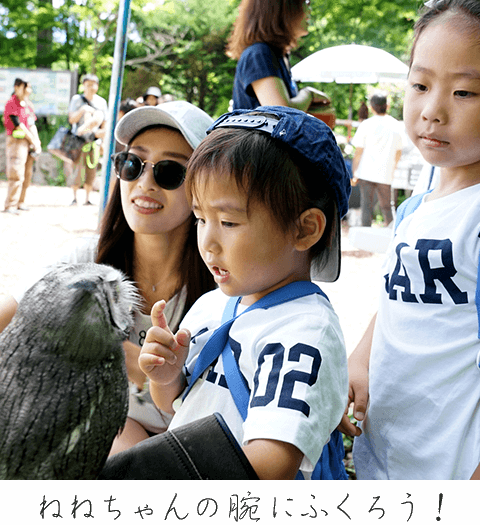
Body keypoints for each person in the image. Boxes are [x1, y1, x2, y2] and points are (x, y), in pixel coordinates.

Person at [137, 106, 351, 480]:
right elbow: (176, 409)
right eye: (201, 218)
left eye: (229, 222)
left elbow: (271, 465)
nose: (208, 242)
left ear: (305, 230)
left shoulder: (304, 331)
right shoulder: (212, 304)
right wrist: (167, 377)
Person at [0, 101, 217, 454]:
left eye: (169, 171)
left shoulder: (224, 284)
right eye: (132, 164)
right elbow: (8, 317)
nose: (144, 183)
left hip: (191, 456)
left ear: (204, 187)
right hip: (104, 438)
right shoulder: (86, 259)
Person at [339, 0, 480, 480]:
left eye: (465, 92)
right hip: (388, 457)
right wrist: (361, 355)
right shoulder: (420, 199)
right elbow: (404, 295)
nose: (432, 112)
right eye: (420, 85)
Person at [227, 0, 327, 111]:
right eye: (304, 1)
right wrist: (308, 94)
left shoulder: (277, 56)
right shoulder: (259, 54)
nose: (309, 9)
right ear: (282, 8)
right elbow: (283, 112)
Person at [350, 92, 403, 227]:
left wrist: (355, 172)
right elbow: (398, 152)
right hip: (386, 173)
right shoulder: (396, 125)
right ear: (387, 106)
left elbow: (358, 151)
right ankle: (392, 234)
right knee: (387, 207)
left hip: (366, 172)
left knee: (366, 206)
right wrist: (393, 169)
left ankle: (364, 239)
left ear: (372, 106)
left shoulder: (367, 124)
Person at [67, 73, 108, 206]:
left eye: (93, 84)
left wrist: (101, 140)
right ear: (83, 85)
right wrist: (83, 110)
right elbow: (71, 119)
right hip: (78, 140)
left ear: (97, 86)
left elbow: (104, 124)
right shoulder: (76, 100)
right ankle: (74, 197)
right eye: (88, 84)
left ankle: (87, 198)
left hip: (94, 141)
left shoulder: (101, 102)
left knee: (92, 169)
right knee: (77, 169)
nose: (90, 87)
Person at [3, 78, 41, 214]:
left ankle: (21, 202)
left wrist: (37, 142)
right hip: (16, 142)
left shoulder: (28, 105)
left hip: (29, 143)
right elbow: (18, 123)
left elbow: (31, 124)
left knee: (27, 173)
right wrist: (32, 139)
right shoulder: (11, 103)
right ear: (18, 87)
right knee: (16, 172)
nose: (29, 90)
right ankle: (10, 204)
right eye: (27, 87)